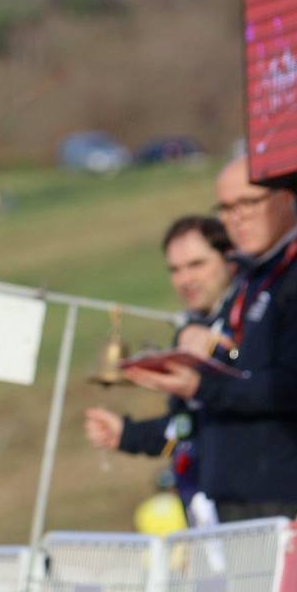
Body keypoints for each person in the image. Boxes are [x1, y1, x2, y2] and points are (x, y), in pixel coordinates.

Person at [124, 156, 297, 520]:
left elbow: (294, 386)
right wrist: (127, 435)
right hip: (230, 495)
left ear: (287, 197)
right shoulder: (255, 277)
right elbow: (233, 376)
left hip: (283, 496)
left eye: (248, 202)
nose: (236, 217)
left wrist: (199, 386)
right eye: (226, 208)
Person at [83, 215, 237, 514]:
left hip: (253, 503)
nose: (185, 280)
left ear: (230, 258)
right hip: (203, 506)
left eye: (197, 264)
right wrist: (126, 434)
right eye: (175, 270)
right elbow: (187, 427)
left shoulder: (243, 324)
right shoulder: (191, 329)